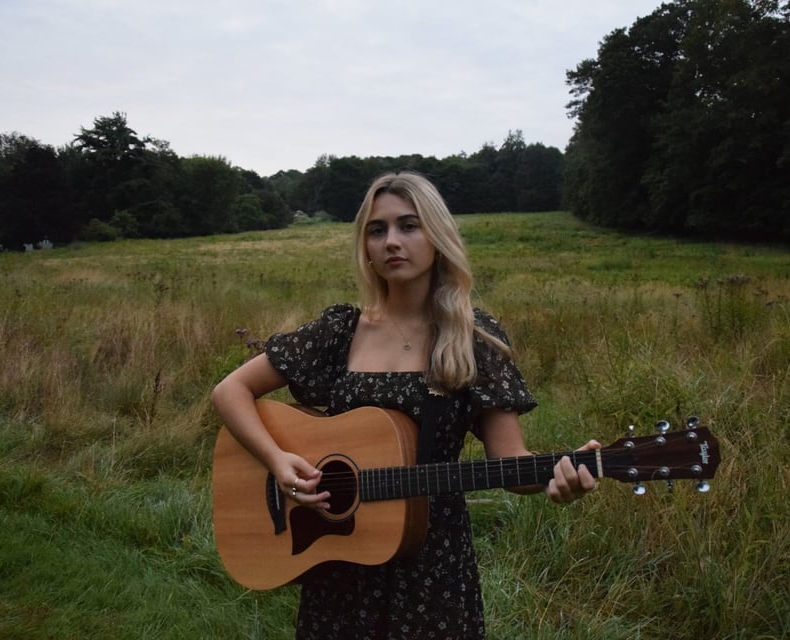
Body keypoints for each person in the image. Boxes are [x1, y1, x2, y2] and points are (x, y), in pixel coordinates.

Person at [211, 171, 599, 639]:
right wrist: (277, 462)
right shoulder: (341, 331)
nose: (392, 241)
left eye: (408, 226)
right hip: (340, 563)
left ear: (437, 236)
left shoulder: (474, 339)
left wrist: (557, 477)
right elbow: (229, 392)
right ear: (366, 248)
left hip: (432, 567)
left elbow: (510, 463)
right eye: (378, 230)